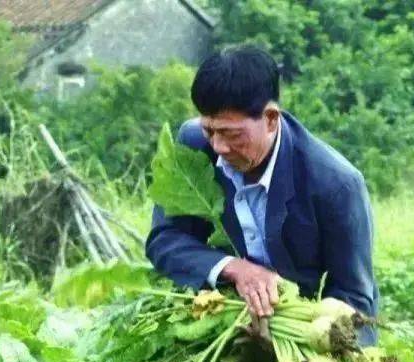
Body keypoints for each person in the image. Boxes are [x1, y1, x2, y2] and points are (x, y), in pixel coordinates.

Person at [146, 45, 378, 345]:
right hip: (223, 319)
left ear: (270, 119)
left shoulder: (336, 184)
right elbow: (165, 239)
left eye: (231, 134)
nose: (218, 146)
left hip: (302, 332)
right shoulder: (193, 143)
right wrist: (235, 269)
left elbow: (354, 296)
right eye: (209, 130)